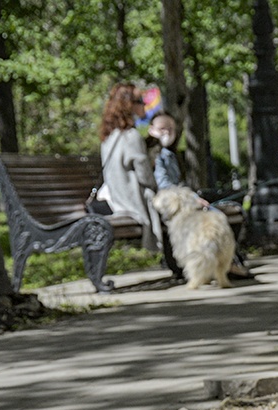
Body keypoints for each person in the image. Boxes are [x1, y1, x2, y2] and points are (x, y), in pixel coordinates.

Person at [147, 112, 253, 280]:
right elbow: (165, 185)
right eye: (162, 129)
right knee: (217, 215)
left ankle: (226, 260)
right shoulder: (157, 154)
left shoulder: (168, 153)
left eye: (171, 129)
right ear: (151, 130)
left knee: (231, 211)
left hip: (178, 201)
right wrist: (193, 199)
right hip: (170, 204)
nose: (167, 133)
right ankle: (228, 263)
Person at [98, 82, 163, 252]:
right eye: (140, 100)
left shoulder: (109, 137)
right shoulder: (131, 136)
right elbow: (145, 177)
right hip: (132, 201)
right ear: (129, 105)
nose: (145, 104)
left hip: (116, 198)